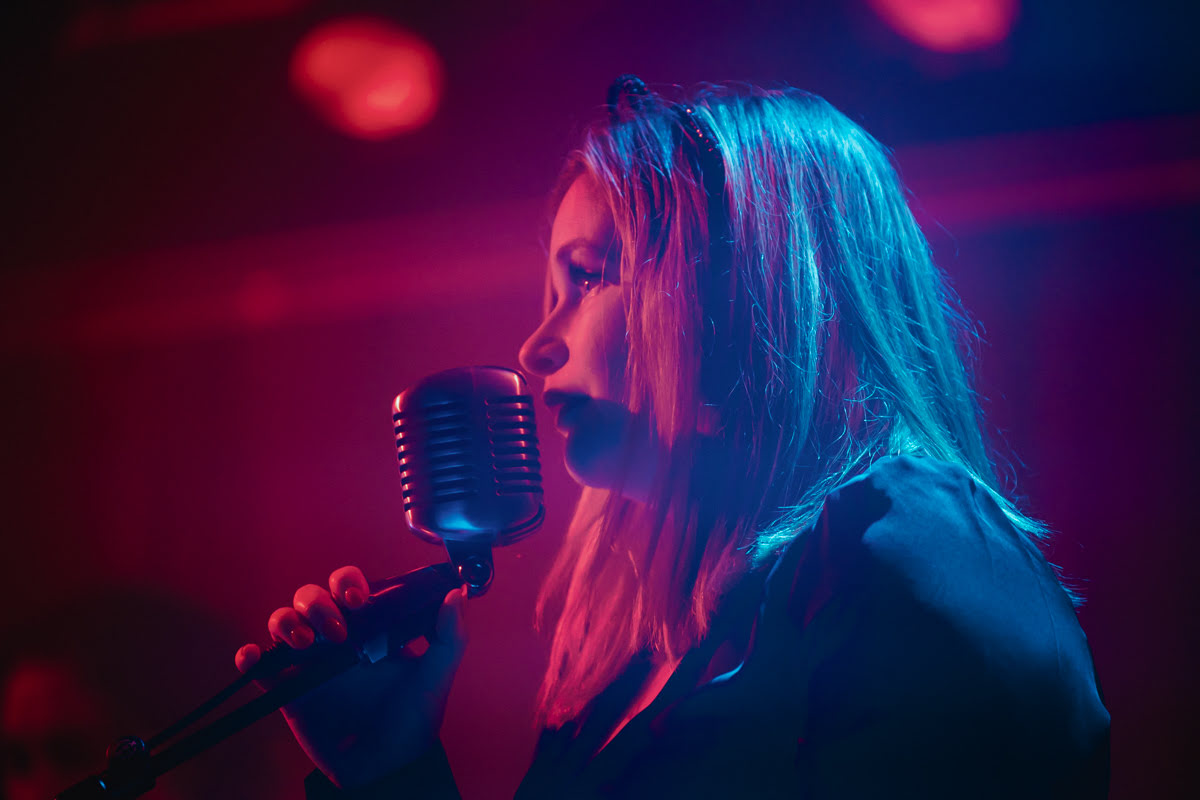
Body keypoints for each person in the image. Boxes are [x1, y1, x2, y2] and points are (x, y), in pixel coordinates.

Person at [234, 76, 1110, 798]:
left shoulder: (908, 549)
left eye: (589, 277)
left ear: (740, 295)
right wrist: (389, 771)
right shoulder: (641, 658)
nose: (534, 349)